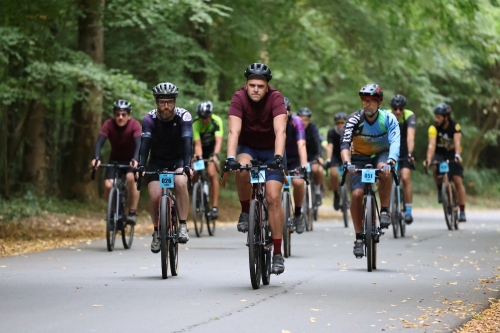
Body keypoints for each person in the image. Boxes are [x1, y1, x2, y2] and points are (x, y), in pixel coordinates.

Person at [225, 63, 287, 274]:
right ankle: (245, 211)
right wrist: (230, 158)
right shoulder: (239, 97)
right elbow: (234, 131)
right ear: (246, 84)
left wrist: (278, 157)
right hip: (248, 148)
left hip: (272, 150)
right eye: (252, 85)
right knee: (241, 168)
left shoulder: (276, 99)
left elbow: (280, 132)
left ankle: (278, 253)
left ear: (267, 87)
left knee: (272, 197)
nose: (255, 90)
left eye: (260, 86)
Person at [341, 84, 400, 258]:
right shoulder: (354, 120)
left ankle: (384, 211)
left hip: (381, 154)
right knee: (358, 194)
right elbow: (344, 144)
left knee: (384, 170)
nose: (366, 104)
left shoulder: (388, 119)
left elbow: (395, 141)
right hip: (358, 156)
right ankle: (359, 238)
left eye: (371, 101)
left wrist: (391, 160)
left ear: (379, 102)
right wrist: (347, 162)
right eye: (364, 101)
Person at [137, 82, 193, 253]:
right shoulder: (149, 119)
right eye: (162, 102)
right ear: (157, 103)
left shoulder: (184, 116)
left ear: (175, 102)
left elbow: (187, 142)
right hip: (157, 161)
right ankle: (156, 232)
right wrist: (140, 165)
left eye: (169, 102)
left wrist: (188, 165)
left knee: (180, 183)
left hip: (178, 161)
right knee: (154, 196)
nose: (166, 106)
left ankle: (182, 224)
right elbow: (145, 144)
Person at [91, 99, 141, 224]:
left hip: (131, 160)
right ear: (114, 115)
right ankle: (112, 211)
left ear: (128, 115)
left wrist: (135, 159)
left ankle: (132, 211)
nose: (120, 117)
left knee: (131, 179)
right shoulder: (108, 124)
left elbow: (139, 144)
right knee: (108, 185)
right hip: (115, 160)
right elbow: (99, 142)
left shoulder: (134, 125)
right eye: (117, 114)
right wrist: (96, 158)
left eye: (123, 114)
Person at [423, 103, 466, 222]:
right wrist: (428, 159)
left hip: (452, 154)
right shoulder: (433, 128)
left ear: (446, 117)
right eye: (435, 117)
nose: (436, 119)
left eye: (439, 117)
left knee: (457, 180)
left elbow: (457, 142)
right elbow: (431, 145)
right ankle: (440, 190)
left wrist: (458, 155)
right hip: (440, 154)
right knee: (435, 169)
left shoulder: (455, 126)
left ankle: (462, 210)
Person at [192, 101, 223, 219]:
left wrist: (215, 155)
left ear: (210, 115)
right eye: (202, 118)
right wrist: (198, 157)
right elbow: (197, 144)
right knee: (194, 171)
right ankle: (197, 194)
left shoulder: (216, 121)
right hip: (199, 150)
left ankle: (214, 207)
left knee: (211, 173)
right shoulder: (196, 124)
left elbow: (219, 141)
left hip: (212, 151)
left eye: (206, 118)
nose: (204, 120)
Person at [388, 94, 416, 224]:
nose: (398, 111)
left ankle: (408, 210)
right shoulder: (386, 115)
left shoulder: (409, 115)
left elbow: (410, 136)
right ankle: (386, 208)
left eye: (400, 108)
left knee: (405, 177)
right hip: (389, 147)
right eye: (395, 108)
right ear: (391, 108)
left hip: (404, 147)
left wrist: (409, 153)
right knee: (385, 175)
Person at [283, 97, 308, 234]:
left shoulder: (296, 122)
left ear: (290, 112)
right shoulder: (271, 120)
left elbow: (301, 144)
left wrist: (303, 166)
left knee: (298, 182)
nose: (283, 114)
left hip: (294, 158)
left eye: (285, 111)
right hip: (277, 157)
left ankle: (298, 214)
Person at [297, 107, 324, 206]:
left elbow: (317, 142)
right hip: (299, 157)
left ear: (309, 120)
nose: (303, 122)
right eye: (301, 119)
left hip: (312, 156)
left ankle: (317, 191)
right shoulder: (295, 127)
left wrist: (319, 156)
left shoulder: (313, 128)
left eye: (306, 120)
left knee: (317, 169)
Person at [326, 112, 348, 210]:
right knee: (334, 174)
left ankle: (347, 195)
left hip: (346, 155)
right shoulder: (331, 132)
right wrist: (328, 160)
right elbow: (330, 146)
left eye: (342, 122)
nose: (340, 125)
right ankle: (336, 194)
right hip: (335, 155)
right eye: (338, 123)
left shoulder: (349, 131)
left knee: (351, 173)